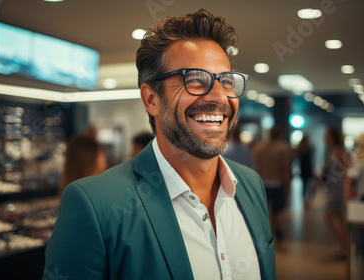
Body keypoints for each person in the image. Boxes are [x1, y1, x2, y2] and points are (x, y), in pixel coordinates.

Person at [43, 9, 275, 280]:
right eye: (195, 80)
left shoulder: (250, 185)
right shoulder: (95, 205)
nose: (218, 96)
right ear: (151, 99)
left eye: (226, 81)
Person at [252, 125, 291, 249]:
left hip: (262, 183)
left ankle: (262, 239)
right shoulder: (282, 149)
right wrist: (288, 186)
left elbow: (255, 168)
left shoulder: (259, 148)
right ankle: (279, 239)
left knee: (261, 213)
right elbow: (285, 170)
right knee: (277, 213)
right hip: (277, 184)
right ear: (279, 135)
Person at [321, 127, 348, 259]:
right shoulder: (331, 151)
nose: (324, 139)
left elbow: (347, 170)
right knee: (340, 218)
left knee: (330, 216)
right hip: (334, 189)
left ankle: (345, 246)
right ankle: (345, 246)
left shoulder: (339, 152)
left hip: (339, 190)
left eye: (326, 136)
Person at [296, 134, 314, 208]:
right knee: (309, 186)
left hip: (303, 168)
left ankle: (304, 200)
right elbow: (311, 159)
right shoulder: (309, 148)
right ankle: (308, 200)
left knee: (304, 185)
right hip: (308, 168)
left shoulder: (300, 149)